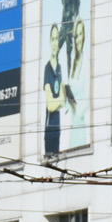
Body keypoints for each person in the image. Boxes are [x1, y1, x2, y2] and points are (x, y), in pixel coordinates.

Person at [43, 23, 64, 156]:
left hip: (58, 129)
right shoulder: (47, 69)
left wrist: (61, 99)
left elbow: (63, 99)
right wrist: (61, 99)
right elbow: (50, 105)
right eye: (53, 39)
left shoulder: (60, 68)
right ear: (50, 41)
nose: (55, 42)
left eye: (57, 38)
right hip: (50, 130)